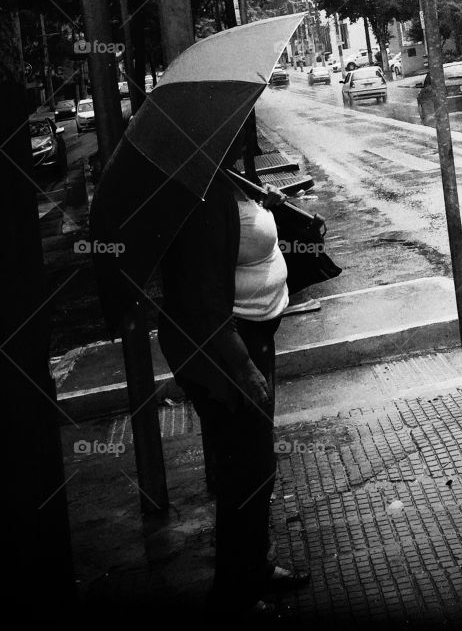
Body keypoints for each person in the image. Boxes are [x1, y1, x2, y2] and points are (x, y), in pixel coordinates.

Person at [158, 120, 309, 618]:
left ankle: (256, 567)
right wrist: (244, 368)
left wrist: (266, 206)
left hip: (252, 342)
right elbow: (203, 302)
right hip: (225, 355)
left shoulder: (222, 179)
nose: (239, 132)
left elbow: (245, 243)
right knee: (243, 472)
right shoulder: (198, 196)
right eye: (226, 128)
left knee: (257, 467)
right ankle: (233, 594)